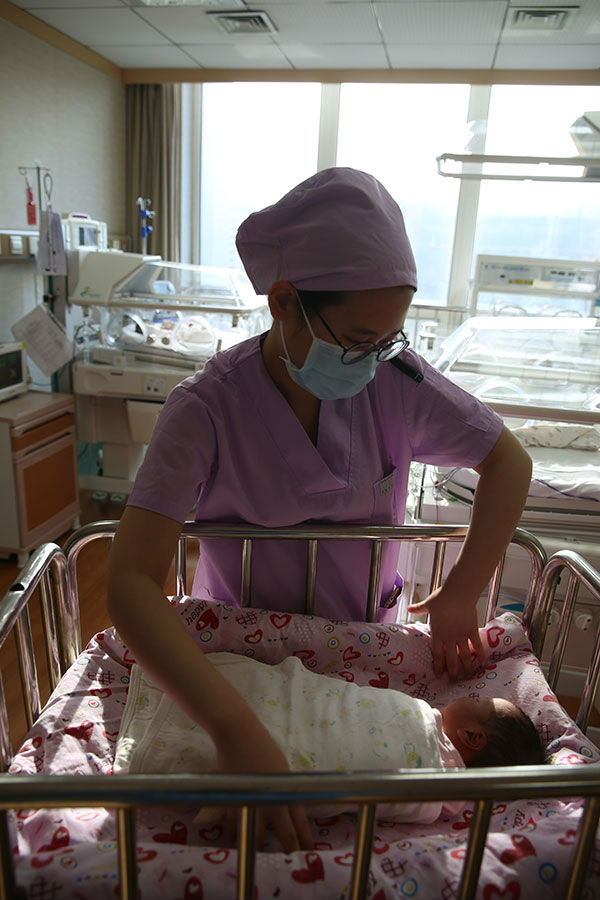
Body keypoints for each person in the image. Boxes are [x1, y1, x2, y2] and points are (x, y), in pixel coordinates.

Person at [107, 167, 532, 852]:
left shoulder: (397, 380)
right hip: (239, 656)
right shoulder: (206, 409)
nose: (373, 359)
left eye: (388, 339)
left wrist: (463, 588)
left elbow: (509, 463)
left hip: (365, 647)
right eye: (359, 337)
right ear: (284, 302)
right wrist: (233, 727)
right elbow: (129, 581)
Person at [115, 653, 547, 834]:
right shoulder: (435, 789)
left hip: (303, 744)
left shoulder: (434, 782)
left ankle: (168, 730)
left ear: (472, 737)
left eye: (477, 701)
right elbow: (351, 704)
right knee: (286, 698)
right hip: (308, 706)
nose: (470, 695)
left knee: (284, 730)